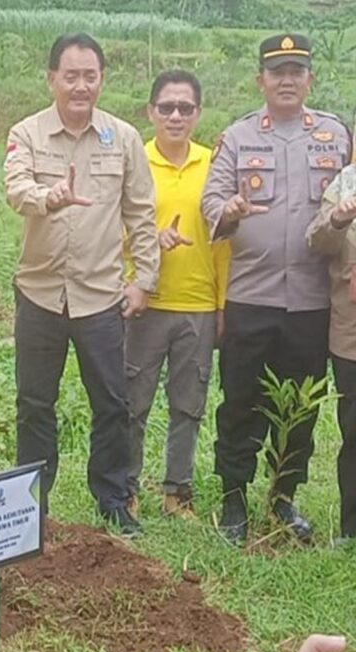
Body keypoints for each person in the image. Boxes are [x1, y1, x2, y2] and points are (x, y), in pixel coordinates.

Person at [4, 33, 158, 536]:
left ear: (101, 79)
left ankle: (112, 498)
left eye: (89, 76)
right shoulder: (27, 133)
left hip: (101, 299)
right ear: (51, 79)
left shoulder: (124, 138)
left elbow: (140, 213)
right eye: (70, 75)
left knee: (112, 402)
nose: (80, 86)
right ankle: (33, 503)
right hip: (40, 295)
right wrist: (49, 196)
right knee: (34, 404)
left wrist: (144, 281)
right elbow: (15, 188)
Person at [201, 33, 349, 545]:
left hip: (311, 301)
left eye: (296, 70)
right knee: (240, 401)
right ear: (260, 80)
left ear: (310, 78)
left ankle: (283, 497)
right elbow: (211, 201)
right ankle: (234, 501)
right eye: (277, 71)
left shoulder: (335, 136)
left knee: (300, 406)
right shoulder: (239, 138)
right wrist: (229, 211)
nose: (287, 79)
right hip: (251, 296)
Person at [125, 70, 230, 519]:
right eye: (166, 107)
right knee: (132, 404)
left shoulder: (215, 164)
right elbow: (111, 232)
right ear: (150, 111)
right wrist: (149, 241)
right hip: (143, 303)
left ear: (197, 114)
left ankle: (177, 492)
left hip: (199, 305)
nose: (175, 116)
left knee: (189, 405)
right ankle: (125, 487)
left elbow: (226, 242)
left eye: (185, 108)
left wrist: (223, 305)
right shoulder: (134, 161)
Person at [306, 151, 356, 548]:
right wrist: (338, 219)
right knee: (354, 432)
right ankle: (351, 529)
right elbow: (317, 241)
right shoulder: (345, 183)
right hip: (350, 331)